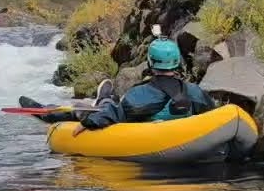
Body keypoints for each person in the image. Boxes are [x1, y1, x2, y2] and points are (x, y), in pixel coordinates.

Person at [70, 35, 215, 135]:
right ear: (177, 61)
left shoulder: (138, 95)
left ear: (150, 62)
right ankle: (104, 99)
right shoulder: (195, 92)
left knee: (109, 106)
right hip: (171, 142)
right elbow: (212, 115)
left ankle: (103, 100)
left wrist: (88, 122)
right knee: (110, 104)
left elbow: (115, 114)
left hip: (149, 138)